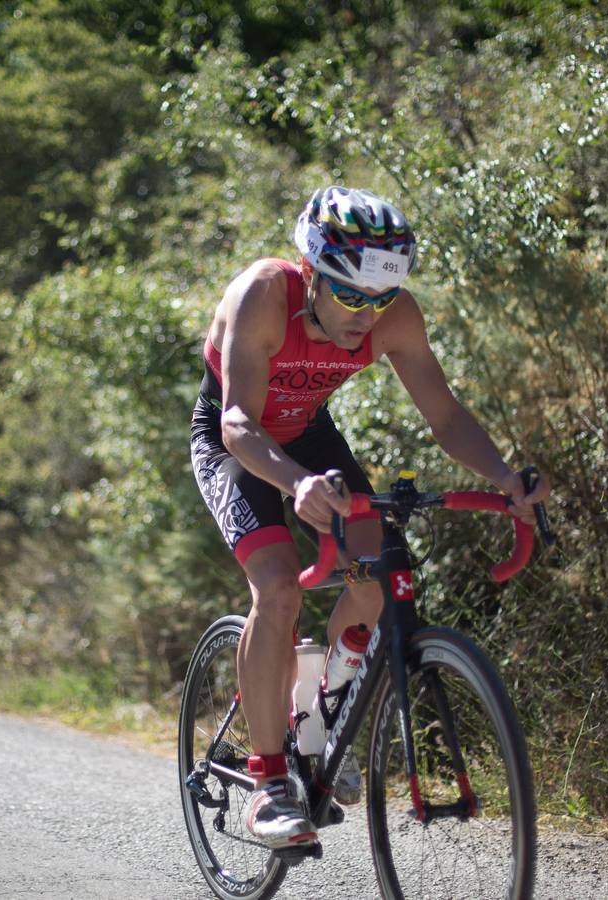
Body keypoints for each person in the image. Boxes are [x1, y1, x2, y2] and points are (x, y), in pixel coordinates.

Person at [189, 185, 551, 849]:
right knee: (275, 587)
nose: (366, 315)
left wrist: (505, 479)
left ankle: (318, 715)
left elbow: (444, 415)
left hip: (305, 433)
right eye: (350, 295)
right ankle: (270, 783)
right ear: (313, 274)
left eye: (379, 298)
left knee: (376, 576)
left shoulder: (395, 317)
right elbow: (239, 422)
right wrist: (295, 484)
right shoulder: (264, 296)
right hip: (235, 439)